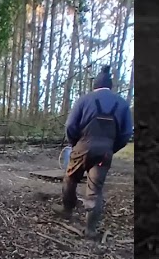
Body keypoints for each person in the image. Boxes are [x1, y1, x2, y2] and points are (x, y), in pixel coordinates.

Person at [55, 66, 133, 237]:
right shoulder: (122, 104)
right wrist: (112, 147)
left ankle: (67, 210)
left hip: (82, 147)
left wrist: (75, 144)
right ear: (110, 86)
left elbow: (70, 126)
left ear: (95, 85)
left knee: (70, 178)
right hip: (105, 151)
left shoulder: (84, 100)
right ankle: (90, 229)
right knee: (95, 189)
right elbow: (127, 133)